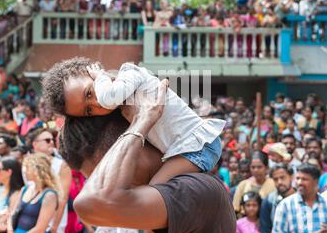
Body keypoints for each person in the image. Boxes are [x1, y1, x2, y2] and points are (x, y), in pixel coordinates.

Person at [58, 80, 236, 233]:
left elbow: (91, 203)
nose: (116, 184)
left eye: (112, 172)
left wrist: (141, 123)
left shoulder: (197, 190)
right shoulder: (162, 195)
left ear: (134, 143)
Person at [42, 58, 225, 186]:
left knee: (157, 188)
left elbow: (108, 98)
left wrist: (100, 76)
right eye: (89, 111)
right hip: (186, 151)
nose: (97, 103)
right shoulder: (122, 109)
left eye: (89, 93)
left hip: (198, 147)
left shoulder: (129, 72)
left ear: (92, 72)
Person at [272, 164, 327, 233]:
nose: (299, 182)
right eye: (297, 178)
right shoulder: (285, 205)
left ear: (316, 182)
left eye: (304, 179)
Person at [30, 128, 71, 233]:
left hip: (52, 223)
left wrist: (55, 227)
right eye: (47, 140)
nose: (52, 142)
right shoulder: (28, 164)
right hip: (31, 220)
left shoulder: (61, 165)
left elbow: (63, 199)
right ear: (35, 144)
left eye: (53, 140)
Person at [7, 153, 60, 233]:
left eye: (28, 168)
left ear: (37, 170)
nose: (25, 171)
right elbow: (12, 215)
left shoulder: (49, 195)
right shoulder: (25, 189)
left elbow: (40, 230)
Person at [260, 163, 296, 233]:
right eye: (275, 179)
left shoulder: (301, 198)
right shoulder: (268, 202)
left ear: (291, 177)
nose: (279, 182)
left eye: (282, 178)